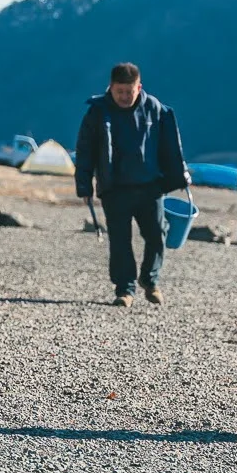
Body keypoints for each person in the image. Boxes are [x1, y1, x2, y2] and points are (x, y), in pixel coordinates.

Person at [74, 63, 188, 305]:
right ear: (111, 88)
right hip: (114, 187)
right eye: (120, 92)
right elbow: (85, 151)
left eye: (130, 91)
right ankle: (125, 290)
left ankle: (150, 279)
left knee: (157, 235)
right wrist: (84, 185)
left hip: (150, 186)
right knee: (120, 240)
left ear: (139, 87)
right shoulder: (97, 112)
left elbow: (170, 146)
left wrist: (179, 174)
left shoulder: (155, 109)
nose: (125, 97)